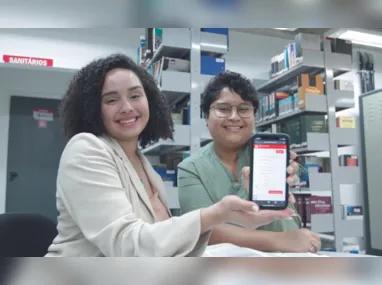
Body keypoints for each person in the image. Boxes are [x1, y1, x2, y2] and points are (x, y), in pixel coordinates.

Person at [44, 54, 296, 257]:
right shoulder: (86, 148)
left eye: (135, 95)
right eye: (111, 100)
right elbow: (126, 245)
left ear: (150, 101)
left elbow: (160, 243)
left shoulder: (146, 167)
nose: (127, 107)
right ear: (92, 108)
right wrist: (216, 215)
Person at [177, 71, 322, 253]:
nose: (234, 117)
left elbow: (298, 175)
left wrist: (290, 173)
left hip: (290, 261)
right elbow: (203, 231)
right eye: (223, 109)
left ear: (254, 116)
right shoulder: (191, 168)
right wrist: (281, 240)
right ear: (206, 116)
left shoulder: (271, 151)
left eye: (244, 109)